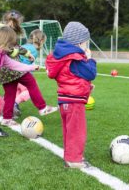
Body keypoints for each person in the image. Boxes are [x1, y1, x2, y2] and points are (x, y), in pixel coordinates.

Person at [45, 22, 97, 168]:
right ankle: (74, 160)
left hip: (65, 99)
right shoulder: (75, 58)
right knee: (77, 131)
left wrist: (86, 87)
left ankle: (71, 155)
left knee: (69, 130)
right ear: (80, 43)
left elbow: (73, 77)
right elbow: (91, 73)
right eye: (86, 43)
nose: (87, 46)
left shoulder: (63, 56)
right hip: (74, 101)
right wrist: (90, 59)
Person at [0, 10, 58, 126]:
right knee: (31, 82)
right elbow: (7, 48)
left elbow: (14, 46)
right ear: (13, 22)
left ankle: (6, 118)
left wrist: (26, 53)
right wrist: (16, 53)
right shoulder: (5, 32)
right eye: (19, 23)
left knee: (10, 93)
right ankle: (42, 108)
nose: (20, 25)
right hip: (13, 67)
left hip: (3, 70)